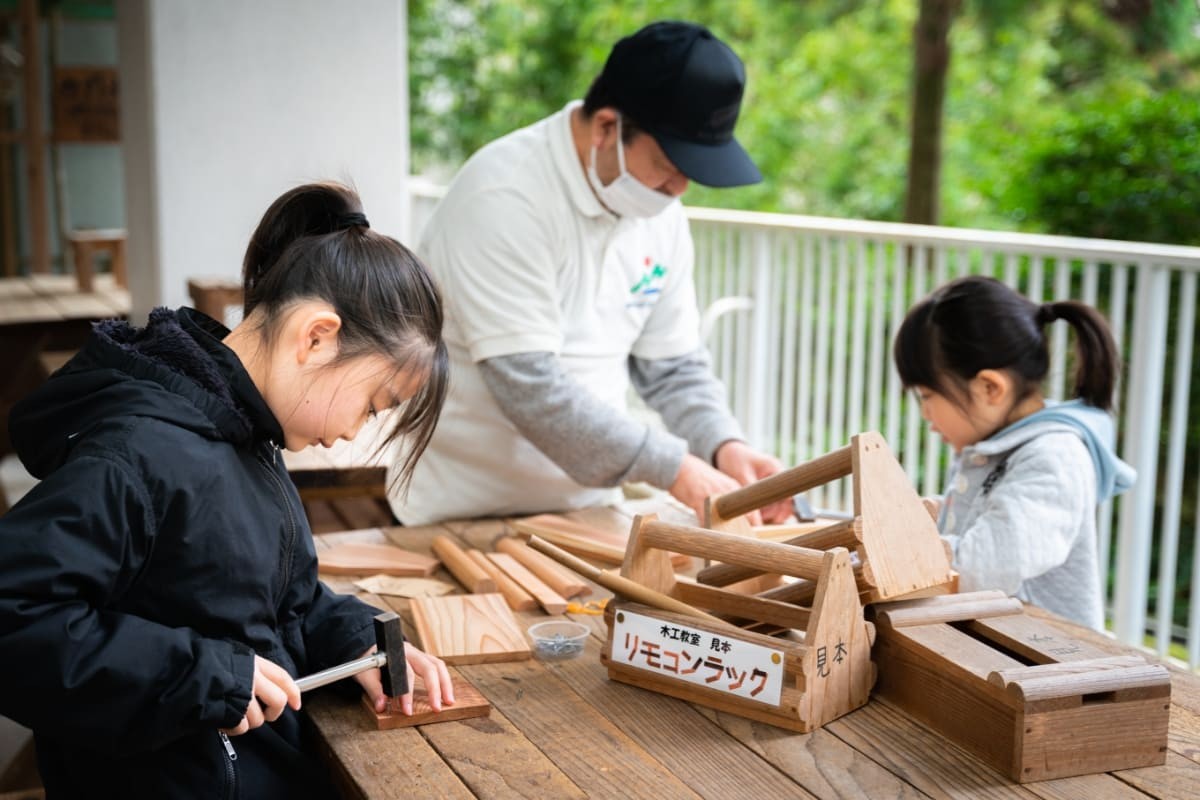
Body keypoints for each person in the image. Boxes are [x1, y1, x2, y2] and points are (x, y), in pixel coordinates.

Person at [0, 182, 454, 798]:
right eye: (373, 405)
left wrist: (364, 645)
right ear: (316, 337)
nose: (354, 431)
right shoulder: (140, 452)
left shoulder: (246, 438)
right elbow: (15, 618)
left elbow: (278, 604)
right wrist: (200, 676)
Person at [395, 20, 790, 526]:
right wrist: (675, 469)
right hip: (464, 511)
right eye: (670, 163)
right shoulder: (505, 197)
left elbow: (672, 368)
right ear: (607, 127)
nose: (679, 189)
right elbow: (530, 388)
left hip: (587, 508)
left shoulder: (658, 212)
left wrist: (723, 443)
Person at [893, 275, 1135, 630]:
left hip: (1050, 668)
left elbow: (984, 564)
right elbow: (970, 525)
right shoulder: (996, 445)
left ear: (990, 388)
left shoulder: (1054, 457)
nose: (925, 413)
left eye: (927, 396)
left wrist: (895, 558)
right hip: (1000, 657)